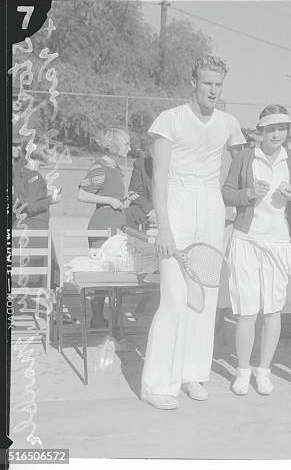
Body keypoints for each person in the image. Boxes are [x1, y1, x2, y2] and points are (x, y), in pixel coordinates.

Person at [140, 55, 246, 410]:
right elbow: (159, 178)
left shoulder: (229, 124)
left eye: (218, 84)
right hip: (177, 204)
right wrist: (165, 228)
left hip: (210, 207)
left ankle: (192, 374)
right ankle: (158, 383)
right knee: (173, 298)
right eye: (207, 83)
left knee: (203, 299)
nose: (213, 90)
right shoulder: (170, 120)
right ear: (193, 82)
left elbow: (239, 162)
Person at [222, 104, 291, 396]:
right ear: (261, 131)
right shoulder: (244, 157)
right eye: (271, 129)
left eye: (282, 128)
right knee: (246, 311)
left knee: (273, 311)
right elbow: (226, 192)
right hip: (246, 239)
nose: (277, 134)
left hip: (279, 242)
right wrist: (247, 194)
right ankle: (243, 371)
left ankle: (263, 371)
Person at [77, 127, 131, 328]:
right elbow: (82, 194)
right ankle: (97, 318)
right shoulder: (99, 167)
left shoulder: (116, 168)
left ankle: (113, 322)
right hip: (102, 227)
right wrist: (110, 200)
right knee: (101, 273)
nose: (130, 147)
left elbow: (114, 194)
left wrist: (124, 199)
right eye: (126, 143)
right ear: (114, 145)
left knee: (117, 273)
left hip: (117, 225)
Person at [12, 133, 62, 231]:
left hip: (19, 225)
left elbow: (24, 200)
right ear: (40, 151)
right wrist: (52, 200)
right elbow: (31, 206)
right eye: (48, 149)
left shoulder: (21, 172)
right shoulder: (35, 176)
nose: (52, 153)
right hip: (34, 227)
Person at [124, 147, 155, 230]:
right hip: (145, 208)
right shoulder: (140, 164)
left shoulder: (176, 166)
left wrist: (158, 210)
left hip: (170, 207)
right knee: (128, 213)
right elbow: (132, 193)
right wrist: (150, 208)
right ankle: (133, 242)